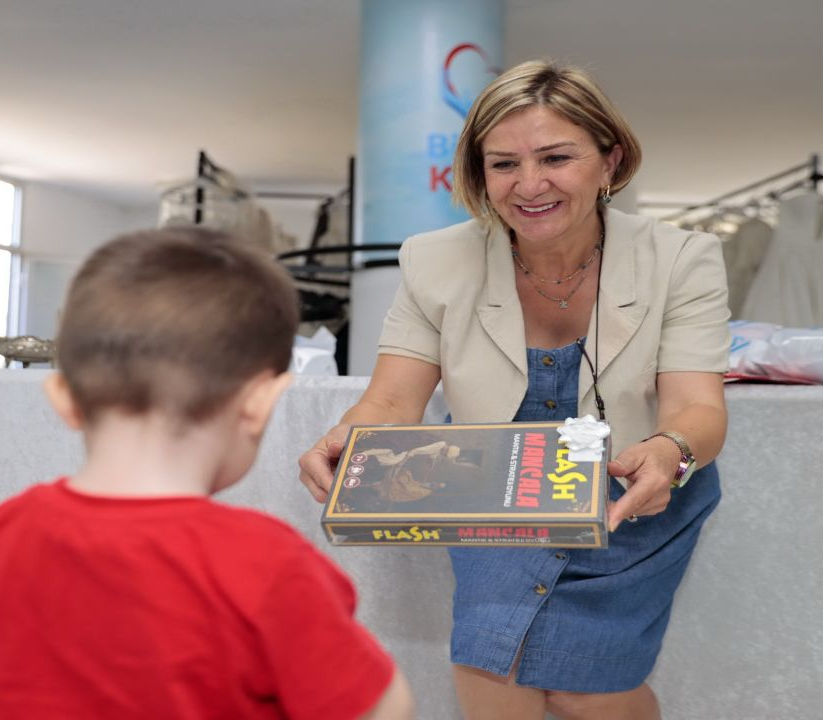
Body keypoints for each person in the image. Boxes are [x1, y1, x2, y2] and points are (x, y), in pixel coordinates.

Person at [298, 60, 730, 720]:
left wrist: (672, 451)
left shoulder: (682, 259)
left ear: (609, 160)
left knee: (590, 691)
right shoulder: (434, 260)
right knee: (494, 674)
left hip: (631, 501)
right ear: (479, 175)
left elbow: (697, 409)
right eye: (503, 165)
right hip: (494, 491)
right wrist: (350, 442)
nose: (529, 185)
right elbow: (390, 402)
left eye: (556, 157)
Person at [0, 227, 414, 720]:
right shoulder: (268, 564)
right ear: (260, 403)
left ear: (63, 399)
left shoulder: (0, 533)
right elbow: (382, 709)